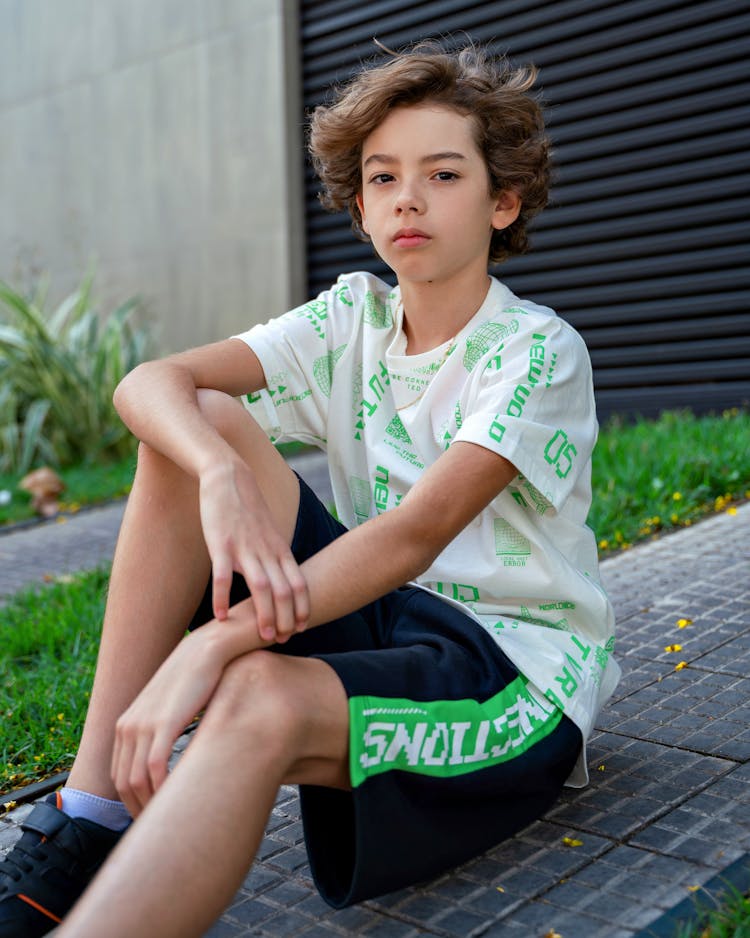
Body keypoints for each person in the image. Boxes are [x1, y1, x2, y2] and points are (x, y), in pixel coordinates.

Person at [0, 39, 620, 938]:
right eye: (381, 178)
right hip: (385, 612)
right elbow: (148, 383)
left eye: (444, 175)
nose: (407, 197)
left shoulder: (536, 350)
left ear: (503, 201)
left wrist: (213, 645)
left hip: (510, 674)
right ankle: (88, 823)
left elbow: (413, 536)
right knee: (195, 420)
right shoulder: (350, 319)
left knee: (256, 689)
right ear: (361, 206)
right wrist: (217, 474)